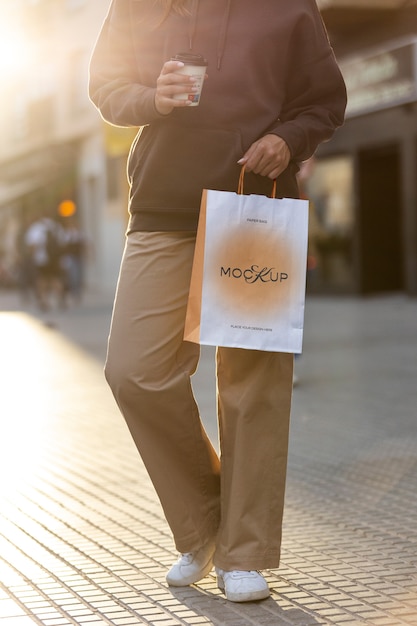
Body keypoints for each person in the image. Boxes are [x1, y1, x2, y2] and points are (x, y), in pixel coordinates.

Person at [89, 0, 347, 603]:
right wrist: (152, 96)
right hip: (161, 206)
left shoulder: (289, 7)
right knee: (134, 372)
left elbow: (324, 101)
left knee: (253, 382)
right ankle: (205, 522)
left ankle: (245, 551)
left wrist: (289, 139)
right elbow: (105, 85)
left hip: (254, 204)